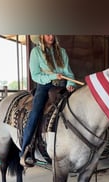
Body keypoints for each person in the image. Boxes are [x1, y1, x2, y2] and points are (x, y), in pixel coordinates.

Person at [20, 34, 76, 167]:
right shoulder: (36, 52)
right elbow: (35, 75)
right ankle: (25, 151)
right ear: (41, 36)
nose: (50, 37)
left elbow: (68, 72)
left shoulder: (61, 52)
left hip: (62, 86)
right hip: (45, 86)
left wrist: (70, 82)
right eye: (47, 34)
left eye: (52, 34)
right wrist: (52, 76)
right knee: (36, 113)